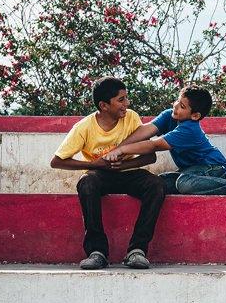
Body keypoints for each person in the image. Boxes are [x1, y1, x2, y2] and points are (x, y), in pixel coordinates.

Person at [50, 77, 165, 270]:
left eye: (126, 98)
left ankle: (137, 250)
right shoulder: (84, 127)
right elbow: (57, 161)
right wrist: (96, 164)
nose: (127, 104)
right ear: (103, 105)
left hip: (129, 172)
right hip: (100, 175)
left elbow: (150, 157)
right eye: (121, 100)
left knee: (157, 184)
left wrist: (122, 165)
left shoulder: (131, 118)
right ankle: (97, 252)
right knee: (86, 183)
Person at [105, 87, 226, 196]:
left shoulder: (190, 129)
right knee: (157, 184)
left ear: (195, 115)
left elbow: (155, 145)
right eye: (177, 101)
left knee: (185, 184)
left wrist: (122, 151)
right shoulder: (170, 115)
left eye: (182, 106)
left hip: (213, 168)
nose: (176, 107)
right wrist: (118, 147)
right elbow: (145, 130)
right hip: (189, 171)